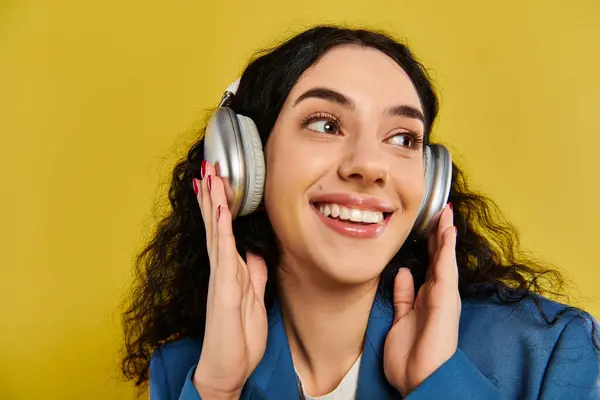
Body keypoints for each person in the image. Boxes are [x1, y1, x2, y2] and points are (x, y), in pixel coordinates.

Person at [121, 25, 600, 399]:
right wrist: (217, 392)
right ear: (246, 162)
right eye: (326, 124)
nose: (370, 166)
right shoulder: (191, 371)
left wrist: (439, 384)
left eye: (402, 139)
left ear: (431, 185)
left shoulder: (549, 351)